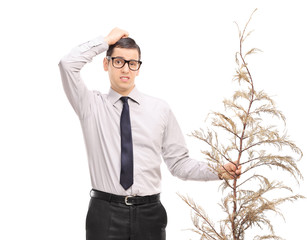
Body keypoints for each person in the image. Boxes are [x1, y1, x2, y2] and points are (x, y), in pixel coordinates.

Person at [58, 27, 241, 240]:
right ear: (106, 64)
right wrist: (105, 41)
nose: (125, 69)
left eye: (132, 63)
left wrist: (218, 171)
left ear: (138, 68)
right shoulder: (91, 106)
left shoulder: (159, 110)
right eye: (118, 61)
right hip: (105, 214)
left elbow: (179, 164)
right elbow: (67, 64)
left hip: (149, 215)